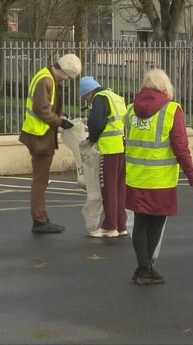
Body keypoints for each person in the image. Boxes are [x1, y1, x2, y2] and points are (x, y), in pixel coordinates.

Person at [124, 69, 193, 285]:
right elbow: (181, 148)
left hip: (136, 176)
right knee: (157, 220)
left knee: (140, 222)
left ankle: (143, 266)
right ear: (166, 86)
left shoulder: (130, 110)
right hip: (160, 179)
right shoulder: (171, 110)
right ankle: (146, 267)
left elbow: (127, 142)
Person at [19, 53, 82, 234]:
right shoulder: (46, 81)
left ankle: (42, 217)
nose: (66, 80)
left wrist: (59, 119)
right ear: (63, 72)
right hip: (40, 135)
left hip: (39, 133)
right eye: (67, 77)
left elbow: (44, 108)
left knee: (42, 179)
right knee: (40, 180)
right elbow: (42, 110)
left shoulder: (45, 76)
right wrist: (59, 121)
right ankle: (39, 220)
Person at [79, 76, 128, 238]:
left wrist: (91, 139)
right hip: (122, 147)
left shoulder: (100, 99)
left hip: (109, 149)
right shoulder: (115, 97)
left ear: (89, 91)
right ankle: (121, 225)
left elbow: (97, 123)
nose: (86, 99)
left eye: (85, 96)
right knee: (120, 189)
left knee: (108, 189)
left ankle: (110, 226)